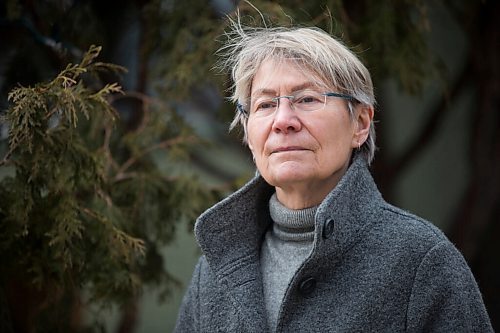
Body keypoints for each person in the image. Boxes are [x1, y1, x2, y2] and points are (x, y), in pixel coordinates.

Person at [174, 22, 493, 333]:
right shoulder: (216, 270)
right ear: (247, 131)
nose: (283, 121)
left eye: (307, 99)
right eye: (266, 104)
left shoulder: (421, 260)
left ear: (360, 124)